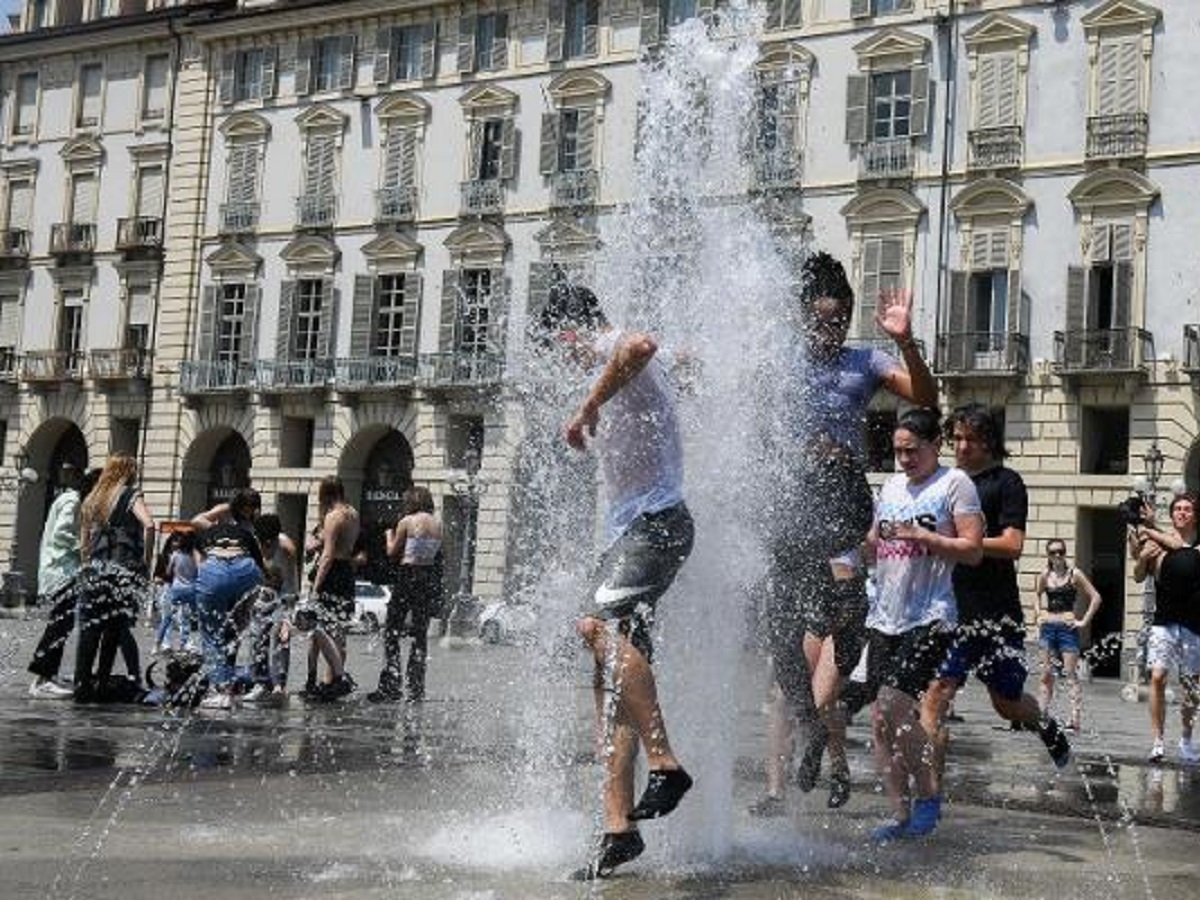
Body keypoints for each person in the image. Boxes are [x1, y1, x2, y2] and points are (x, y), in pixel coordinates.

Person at [757, 251, 938, 811]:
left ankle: (829, 714)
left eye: (838, 321)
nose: (829, 331)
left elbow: (925, 399)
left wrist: (905, 341)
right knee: (781, 634)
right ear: (803, 318)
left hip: (841, 499)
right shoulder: (779, 363)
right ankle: (812, 728)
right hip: (792, 500)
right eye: (820, 320)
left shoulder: (866, 361)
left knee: (847, 617)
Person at [541, 280, 694, 880]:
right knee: (609, 680)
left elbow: (643, 344)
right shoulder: (608, 368)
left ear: (570, 333)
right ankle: (617, 827)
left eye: (560, 348)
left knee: (593, 624)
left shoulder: (611, 347)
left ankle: (665, 763)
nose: (563, 361)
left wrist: (588, 406)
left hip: (658, 524)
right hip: (633, 531)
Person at [920, 404, 1072, 796]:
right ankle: (929, 797)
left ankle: (1043, 723)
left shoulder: (1006, 482)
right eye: (956, 438)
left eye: (970, 438)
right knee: (936, 694)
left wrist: (959, 543)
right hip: (948, 609)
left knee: (1006, 704)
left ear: (990, 442)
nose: (961, 446)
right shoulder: (944, 482)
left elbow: (1013, 544)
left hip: (995, 612)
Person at [866, 409, 982, 842]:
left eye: (912, 450)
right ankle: (900, 816)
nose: (904, 459)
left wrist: (925, 536)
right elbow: (875, 543)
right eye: (898, 451)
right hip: (885, 616)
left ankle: (929, 795)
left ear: (936, 445)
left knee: (896, 706)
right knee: (880, 719)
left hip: (931, 614)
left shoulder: (955, 484)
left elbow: (971, 550)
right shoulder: (891, 485)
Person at [73, 454, 156, 703]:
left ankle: (82, 685)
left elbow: (83, 543)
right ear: (127, 472)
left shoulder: (93, 498)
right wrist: (146, 561)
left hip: (95, 570)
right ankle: (102, 684)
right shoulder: (130, 494)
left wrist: (88, 563)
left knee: (89, 628)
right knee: (114, 627)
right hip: (122, 570)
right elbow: (149, 525)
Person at [1130, 492, 1200, 764]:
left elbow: (1183, 552)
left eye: (1188, 509)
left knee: (1190, 685)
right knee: (1157, 677)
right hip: (1164, 622)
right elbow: (1137, 576)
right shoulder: (1156, 545)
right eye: (1178, 509)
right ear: (1171, 515)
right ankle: (1158, 741)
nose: (1182, 513)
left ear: (1195, 515)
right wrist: (1141, 557)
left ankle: (1185, 739)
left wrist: (1150, 528)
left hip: (1194, 623)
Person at [191, 488, 265, 709]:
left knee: (214, 633)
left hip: (219, 572)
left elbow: (197, 529)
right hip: (245, 572)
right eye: (247, 506)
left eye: (253, 507)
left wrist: (220, 524)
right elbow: (259, 566)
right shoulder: (240, 524)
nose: (250, 511)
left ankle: (221, 689)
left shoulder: (224, 530)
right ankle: (227, 687)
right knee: (232, 631)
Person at [370, 485, 443, 703]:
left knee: (392, 631)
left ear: (411, 502)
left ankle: (391, 684)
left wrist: (388, 535)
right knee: (420, 635)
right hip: (427, 579)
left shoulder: (406, 522)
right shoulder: (438, 524)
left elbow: (393, 552)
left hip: (407, 576)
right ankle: (416, 687)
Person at [28, 464, 85, 699]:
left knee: (61, 623)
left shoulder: (66, 498)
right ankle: (42, 679)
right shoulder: (73, 502)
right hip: (63, 571)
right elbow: (62, 533)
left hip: (59, 570)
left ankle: (48, 674)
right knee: (59, 625)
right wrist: (84, 548)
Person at [302, 476, 361, 701]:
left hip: (332, 573)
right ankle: (329, 683)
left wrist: (316, 587)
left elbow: (327, 555)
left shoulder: (332, 516)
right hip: (347, 572)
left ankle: (335, 679)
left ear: (325, 494)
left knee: (319, 628)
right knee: (338, 632)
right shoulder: (353, 514)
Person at [1035, 539, 1103, 731]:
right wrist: (1038, 615)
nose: (1057, 556)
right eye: (1053, 552)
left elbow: (1096, 597)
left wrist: (1083, 621)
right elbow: (1037, 596)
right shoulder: (1044, 575)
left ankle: (1074, 718)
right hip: (1048, 627)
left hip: (1067, 628)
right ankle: (1042, 714)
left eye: (1061, 552)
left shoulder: (1075, 574)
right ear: (1048, 555)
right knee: (1046, 674)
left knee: (1070, 674)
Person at [155, 531, 198, 652]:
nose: (176, 543)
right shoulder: (194, 556)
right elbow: (199, 572)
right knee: (181, 618)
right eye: (174, 540)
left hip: (176, 588)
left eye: (178, 541)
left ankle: (160, 644)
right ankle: (175, 644)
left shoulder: (176, 554)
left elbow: (168, 572)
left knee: (172, 617)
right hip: (185, 589)